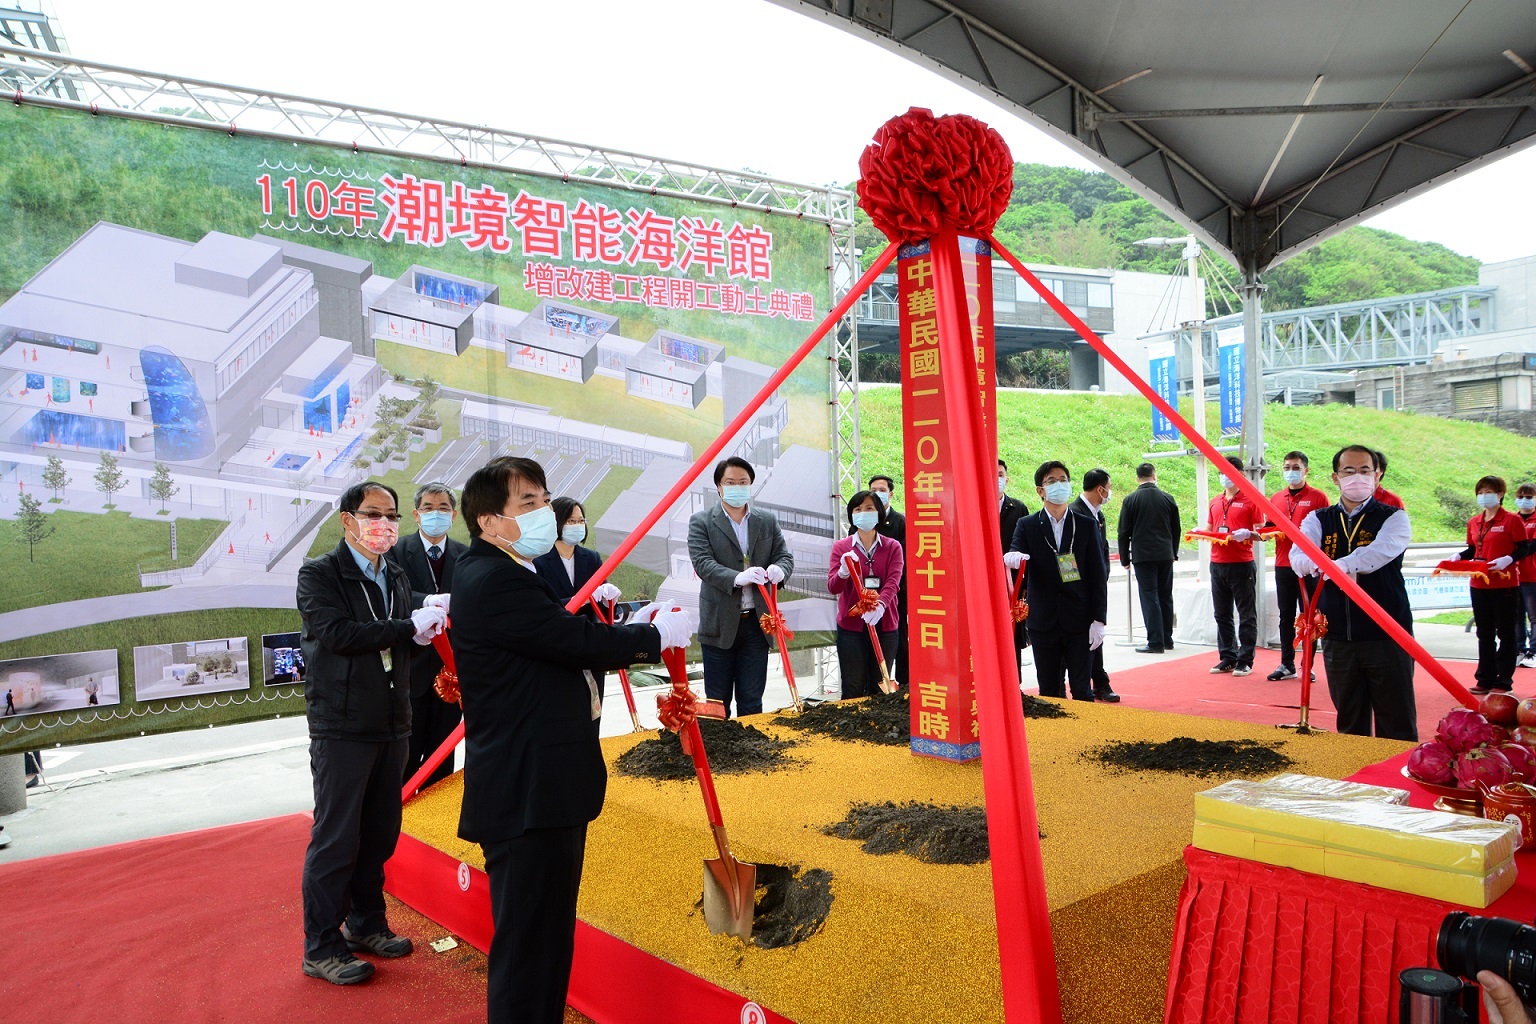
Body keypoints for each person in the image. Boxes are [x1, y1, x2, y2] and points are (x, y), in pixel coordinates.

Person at [451, 456, 692, 1024]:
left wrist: (634, 623)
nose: (545, 513)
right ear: (490, 522)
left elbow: (560, 636)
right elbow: (569, 640)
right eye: (528, 504)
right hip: (529, 790)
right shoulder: (494, 578)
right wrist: (652, 637)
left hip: (539, 785)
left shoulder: (503, 570)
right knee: (531, 946)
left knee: (543, 936)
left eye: (544, 499)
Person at [296, 480, 448, 986]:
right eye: (372, 514)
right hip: (341, 725)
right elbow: (339, 635)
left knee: (380, 833)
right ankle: (321, 944)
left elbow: (402, 648)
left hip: (392, 721)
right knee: (337, 837)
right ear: (347, 520)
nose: (382, 524)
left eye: (391, 515)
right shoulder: (320, 575)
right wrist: (408, 627)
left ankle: (366, 923)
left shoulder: (398, 576)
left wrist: (424, 634)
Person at [1289, 445, 1417, 740]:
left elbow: (1374, 556)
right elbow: (1299, 557)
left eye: (1365, 471)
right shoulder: (1318, 519)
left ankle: (1396, 780)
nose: (1357, 477)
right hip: (1338, 638)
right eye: (1349, 471)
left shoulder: (1393, 518)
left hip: (1386, 634)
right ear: (1335, 477)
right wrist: (1319, 564)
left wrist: (1331, 565)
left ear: (1377, 475)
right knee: (1349, 724)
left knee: (1396, 723)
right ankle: (1357, 781)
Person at [687, 457, 794, 717]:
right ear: (719, 486)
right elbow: (703, 564)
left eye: (743, 482)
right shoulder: (701, 521)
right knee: (717, 702)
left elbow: (784, 556)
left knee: (751, 700)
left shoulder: (766, 520)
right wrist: (738, 577)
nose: (737, 487)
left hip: (758, 624)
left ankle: (751, 752)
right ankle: (719, 755)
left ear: (751, 486)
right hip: (719, 624)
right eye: (730, 482)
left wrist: (780, 570)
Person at [1005, 461, 1108, 701]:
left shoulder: (1086, 524)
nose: (1058, 485)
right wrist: (1013, 558)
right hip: (1044, 621)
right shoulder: (1027, 524)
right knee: (1049, 690)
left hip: (1080, 620)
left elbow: (1097, 574)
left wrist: (1099, 620)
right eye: (1052, 482)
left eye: (1063, 480)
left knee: (1082, 688)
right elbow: (1013, 552)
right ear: (1040, 490)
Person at [390, 482, 468, 792]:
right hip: (412, 668)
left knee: (443, 756)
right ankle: (403, 818)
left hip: (452, 671)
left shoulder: (466, 556)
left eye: (443, 509)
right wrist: (425, 601)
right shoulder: (396, 552)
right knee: (406, 754)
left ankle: (436, 822)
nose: (436, 514)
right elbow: (393, 595)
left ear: (454, 515)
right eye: (428, 508)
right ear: (416, 514)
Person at [533, 496, 623, 718]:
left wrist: (608, 600)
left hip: (590, 645)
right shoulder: (539, 561)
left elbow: (603, 604)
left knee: (593, 712)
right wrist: (581, 598)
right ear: (557, 523)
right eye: (571, 521)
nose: (577, 526)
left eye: (580, 521)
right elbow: (543, 605)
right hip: (558, 647)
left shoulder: (591, 558)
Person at [827, 490, 904, 699]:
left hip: (885, 624)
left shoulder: (892, 546)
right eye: (858, 509)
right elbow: (833, 587)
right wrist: (843, 572)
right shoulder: (841, 547)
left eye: (869, 508)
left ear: (879, 512)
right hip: (851, 628)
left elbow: (893, 581)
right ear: (852, 515)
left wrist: (880, 605)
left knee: (880, 685)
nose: (863, 513)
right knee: (852, 685)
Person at [1459, 475, 1530, 696]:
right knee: (1484, 632)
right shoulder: (1474, 521)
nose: (1484, 496)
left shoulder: (1511, 520)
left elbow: (1524, 547)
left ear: (1500, 494)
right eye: (1480, 492)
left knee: (1506, 632)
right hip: (1479, 583)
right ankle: (1484, 677)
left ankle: (1503, 679)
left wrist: (1509, 559)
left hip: (1504, 583)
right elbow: (1472, 549)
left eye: (1489, 492)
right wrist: (1459, 555)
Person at [1265, 451, 1330, 681]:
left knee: (1309, 616)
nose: (1290, 471)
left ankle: (1307, 665)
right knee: (1285, 615)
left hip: (1308, 567)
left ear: (1306, 470)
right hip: (1283, 564)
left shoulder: (1318, 498)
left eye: (1295, 467)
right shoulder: (1276, 498)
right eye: (1286, 467)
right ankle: (1286, 663)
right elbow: (1267, 529)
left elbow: (1326, 532)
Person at [1117, 463, 1181, 654]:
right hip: (1165, 554)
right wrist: (1174, 552)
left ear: (1137, 478)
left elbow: (1123, 532)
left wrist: (1124, 559)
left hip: (1143, 556)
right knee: (1165, 595)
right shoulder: (1168, 499)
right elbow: (1176, 529)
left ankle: (1155, 641)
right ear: (1154, 475)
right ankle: (1167, 638)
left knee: (1149, 596)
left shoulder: (1130, 500)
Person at [1069, 468, 1119, 702]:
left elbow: (1103, 550)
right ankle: (1090, 684)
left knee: (1095, 636)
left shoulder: (1098, 514)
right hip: (1078, 590)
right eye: (1109, 488)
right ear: (1100, 489)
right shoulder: (1073, 514)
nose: (1109, 492)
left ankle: (1099, 682)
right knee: (1080, 639)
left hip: (1096, 587)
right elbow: (1066, 557)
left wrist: (1103, 576)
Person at [1208, 455, 1260, 677]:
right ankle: (1227, 656)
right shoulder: (1215, 501)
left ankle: (1245, 658)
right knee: (1222, 613)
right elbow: (1210, 529)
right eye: (1220, 472)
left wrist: (1248, 533)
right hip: (1217, 563)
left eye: (1228, 472)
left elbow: (1263, 532)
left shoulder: (1251, 500)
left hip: (1241, 563)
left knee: (1246, 614)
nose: (1223, 477)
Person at [868, 474, 909, 687]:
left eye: (881, 490)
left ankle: (903, 683)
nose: (877, 493)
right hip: (866, 595)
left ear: (891, 494)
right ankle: (873, 682)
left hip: (895, 593)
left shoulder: (899, 522)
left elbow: (904, 560)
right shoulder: (862, 521)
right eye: (873, 489)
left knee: (899, 638)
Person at [997, 458, 1032, 668]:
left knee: (1012, 634)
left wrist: (1025, 584)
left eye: (1000, 475)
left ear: (1007, 479)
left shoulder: (1018, 508)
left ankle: (1013, 683)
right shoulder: (973, 506)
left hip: (1012, 584)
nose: (996, 479)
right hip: (982, 582)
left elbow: (1026, 549)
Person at [1513, 482, 1536, 669]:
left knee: (1534, 616)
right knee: (1516, 616)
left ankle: (1534, 651)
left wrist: (1511, 554)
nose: (1524, 500)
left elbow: (1530, 547)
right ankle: (1519, 649)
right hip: (1514, 575)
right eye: (1520, 496)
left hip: (1533, 576)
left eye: (1529, 497)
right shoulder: (1512, 519)